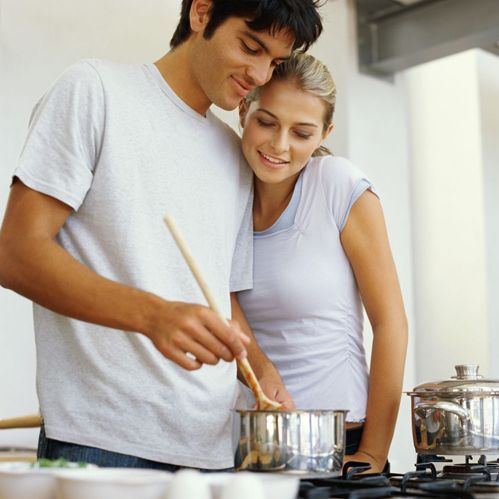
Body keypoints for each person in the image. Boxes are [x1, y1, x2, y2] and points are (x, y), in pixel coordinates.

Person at [0, 0, 323, 470]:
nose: (259, 74)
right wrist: (155, 316)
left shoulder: (234, 153)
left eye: (273, 61)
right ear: (201, 13)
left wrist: (260, 367)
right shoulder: (96, 90)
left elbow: (219, 292)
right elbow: (16, 253)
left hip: (212, 449)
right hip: (103, 443)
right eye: (251, 47)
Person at [236, 52, 408, 473]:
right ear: (244, 109)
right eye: (267, 122)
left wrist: (373, 452)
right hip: (253, 447)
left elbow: (391, 324)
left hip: (341, 443)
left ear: (325, 133)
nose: (279, 145)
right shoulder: (226, 191)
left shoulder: (338, 185)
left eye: (302, 132)